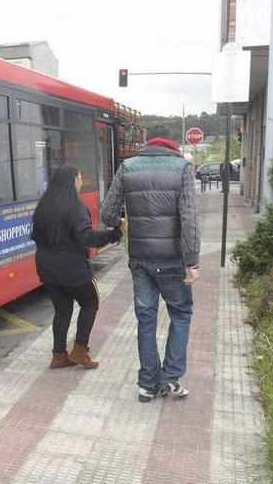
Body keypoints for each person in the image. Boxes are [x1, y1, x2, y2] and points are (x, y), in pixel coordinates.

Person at [100, 124, 200, 402]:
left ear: (147, 142)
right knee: (180, 314)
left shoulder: (128, 167)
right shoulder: (182, 169)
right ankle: (170, 378)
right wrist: (192, 262)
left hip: (140, 259)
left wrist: (120, 222)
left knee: (146, 320)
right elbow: (190, 220)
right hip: (171, 260)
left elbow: (107, 212)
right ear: (171, 144)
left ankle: (147, 385)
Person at [31, 165, 122, 370]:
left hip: (46, 267)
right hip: (72, 268)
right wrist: (114, 234)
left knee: (62, 310)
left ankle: (59, 355)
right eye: (80, 178)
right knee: (91, 302)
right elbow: (86, 237)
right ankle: (80, 351)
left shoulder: (43, 206)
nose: (81, 182)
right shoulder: (75, 206)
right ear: (73, 181)